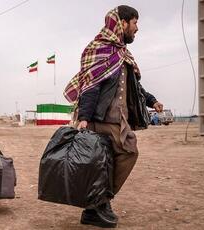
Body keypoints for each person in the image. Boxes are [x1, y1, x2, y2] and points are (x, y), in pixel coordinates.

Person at [64, 5, 164, 228]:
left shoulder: (123, 54)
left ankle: (97, 206)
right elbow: (90, 86)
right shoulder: (99, 49)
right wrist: (84, 118)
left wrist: (152, 100)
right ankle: (98, 203)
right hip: (102, 120)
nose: (137, 28)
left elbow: (135, 87)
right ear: (122, 23)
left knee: (105, 165)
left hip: (119, 120)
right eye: (134, 22)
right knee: (128, 150)